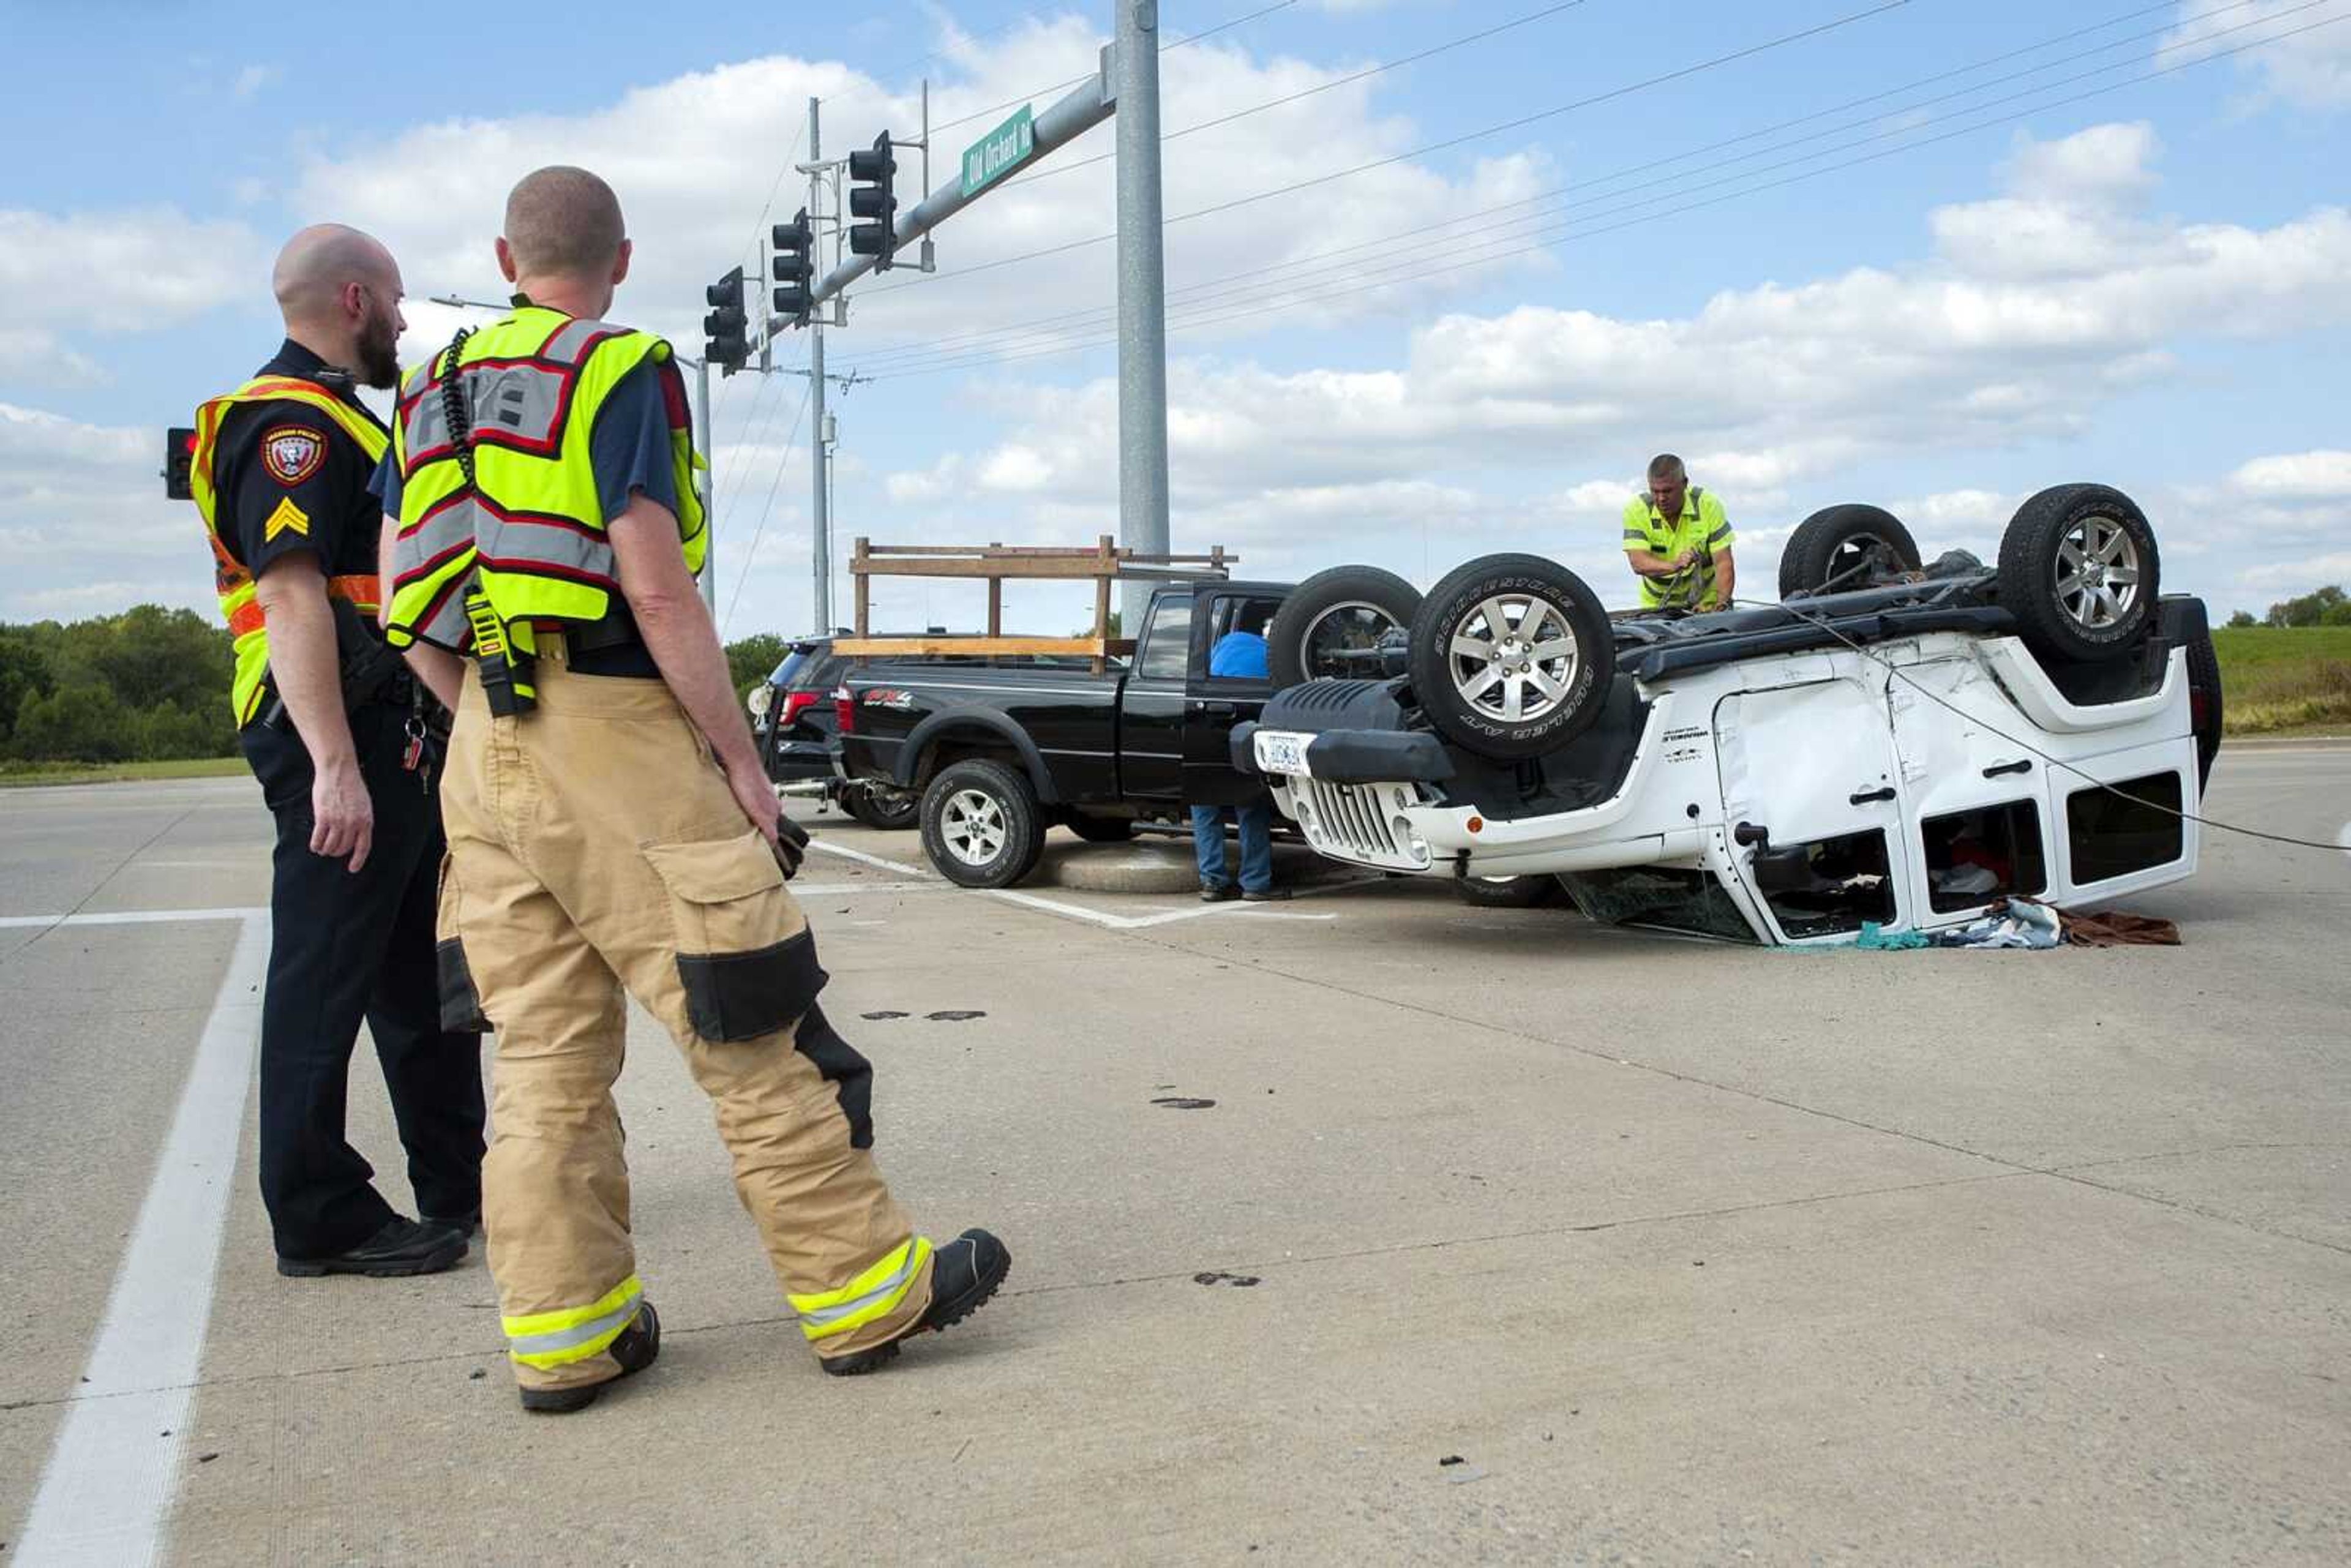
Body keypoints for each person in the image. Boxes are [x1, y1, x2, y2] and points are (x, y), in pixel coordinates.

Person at [378, 167, 1007, 1414]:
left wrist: (497, 733)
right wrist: (739, 760)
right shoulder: (618, 368)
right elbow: (655, 586)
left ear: (506, 255)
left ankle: (567, 1336)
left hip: (481, 747)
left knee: (544, 1063)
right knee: (747, 1020)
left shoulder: (428, 390)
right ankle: (864, 1292)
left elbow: (406, 609)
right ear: (619, 259)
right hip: (615, 726)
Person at [186, 225, 486, 1278]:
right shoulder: (290, 426)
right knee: (326, 973)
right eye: (398, 301)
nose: (406, 321)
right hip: (336, 729)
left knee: (416, 971)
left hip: (382, 727)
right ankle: (318, 1213)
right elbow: (288, 592)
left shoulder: (343, 424)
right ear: (354, 299)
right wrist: (334, 767)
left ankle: (461, 1178)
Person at [1191, 608, 1291, 903]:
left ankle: (1212, 883)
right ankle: (1256, 884)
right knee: (1250, 806)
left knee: (1205, 807)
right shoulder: (1274, 654)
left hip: (1203, 728)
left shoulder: (1222, 646)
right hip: (1245, 731)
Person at [1622, 453, 1736, 611]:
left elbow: (1723, 563)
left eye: (1668, 491)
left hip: (1706, 605)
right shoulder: (1637, 510)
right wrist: (1674, 565)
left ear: (1685, 484)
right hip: (1657, 608)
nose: (1661, 498)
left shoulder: (1708, 505)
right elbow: (1638, 563)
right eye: (1655, 491)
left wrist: (1721, 606)